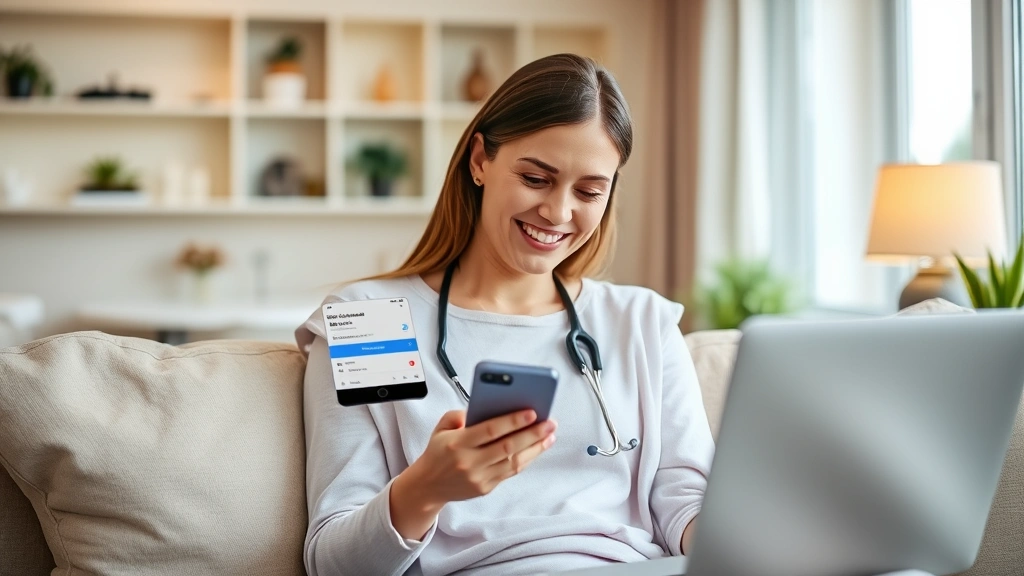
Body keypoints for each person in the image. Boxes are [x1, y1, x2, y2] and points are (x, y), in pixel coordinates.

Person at [295, 53, 715, 576]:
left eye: (589, 191)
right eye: (536, 178)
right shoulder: (374, 321)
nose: (558, 213)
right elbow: (334, 564)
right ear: (479, 160)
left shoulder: (641, 321)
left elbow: (685, 503)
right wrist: (425, 489)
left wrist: (750, 538)